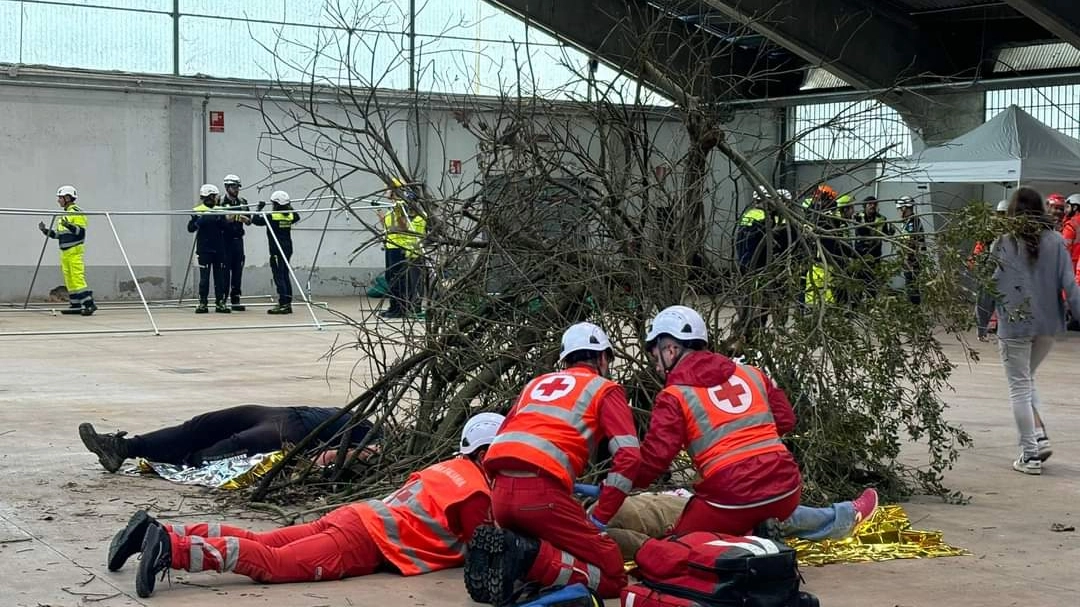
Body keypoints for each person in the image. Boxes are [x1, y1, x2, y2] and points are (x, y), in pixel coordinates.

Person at [106, 413, 503, 598]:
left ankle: (158, 532)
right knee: (273, 564)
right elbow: (485, 548)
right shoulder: (476, 493)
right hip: (366, 542)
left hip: (355, 518)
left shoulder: (449, 467)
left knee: (265, 541)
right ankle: (174, 551)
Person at [466, 322, 641, 603]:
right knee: (613, 575)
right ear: (602, 357)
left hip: (499, 496)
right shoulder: (605, 389)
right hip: (542, 498)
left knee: (556, 547)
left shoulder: (534, 385)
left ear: (565, 359)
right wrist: (600, 516)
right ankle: (528, 559)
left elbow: (512, 439)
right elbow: (630, 456)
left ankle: (522, 555)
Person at [633, 305, 801, 535]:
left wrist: (622, 481)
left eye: (656, 358)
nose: (658, 367)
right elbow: (786, 420)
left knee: (680, 550)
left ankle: (748, 536)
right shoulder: (751, 373)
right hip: (787, 490)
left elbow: (655, 459)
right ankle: (760, 532)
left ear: (671, 350)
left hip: (731, 499)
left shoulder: (674, 396)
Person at [976, 187, 1080, 475]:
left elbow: (988, 285)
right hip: (1048, 326)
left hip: (1015, 325)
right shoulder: (1057, 242)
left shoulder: (1003, 243)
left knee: (1019, 388)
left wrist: (982, 320)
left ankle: (1030, 455)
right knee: (1026, 380)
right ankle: (1039, 436)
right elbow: (1071, 286)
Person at [78, 404, 379, 472]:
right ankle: (122, 447)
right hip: (282, 413)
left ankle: (184, 462)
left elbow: (355, 455)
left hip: (295, 432)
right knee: (199, 426)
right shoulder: (376, 421)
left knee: (231, 445)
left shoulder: (382, 439)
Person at [37, 185, 97, 315]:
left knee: (77, 279)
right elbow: (59, 235)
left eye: (60, 198)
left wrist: (68, 225)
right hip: (64, 253)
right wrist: (45, 231)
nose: (58, 200)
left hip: (74, 252)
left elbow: (80, 233)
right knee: (69, 280)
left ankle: (89, 304)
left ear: (68, 198)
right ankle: (75, 305)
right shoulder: (63, 215)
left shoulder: (76, 212)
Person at [252, 190, 301, 315]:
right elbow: (297, 216)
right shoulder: (290, 215)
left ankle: (283, 304)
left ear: (276, 204)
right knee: (285, 275)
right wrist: (288, 205)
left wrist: (259, 208)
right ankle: (287, 303)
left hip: (277, 250)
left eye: (273, 203)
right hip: (288, 248)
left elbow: (255, 220)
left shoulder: (271, 217)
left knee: (279, 277)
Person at [379, 178, 419, 318]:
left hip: (399, 246)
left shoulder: (401, 206)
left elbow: (403, 227)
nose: (385, 192)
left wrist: (396, 216)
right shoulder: (394, 206)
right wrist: (382, 219)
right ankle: (393, 306)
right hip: (391, 245)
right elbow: (391, 227)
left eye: (387, 189)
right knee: (390, 277)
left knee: (398, 278)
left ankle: (400, 309)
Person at [187, 184, 229, 314]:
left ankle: (220, 302)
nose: (217, 198)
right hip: (204, 250)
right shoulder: (197, 210)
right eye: (215, 196)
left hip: (219, 249)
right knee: (204, 278)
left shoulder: (219, 210)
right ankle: (203, 303)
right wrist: (201, 220)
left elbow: (226, 228)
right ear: (210, 196)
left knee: (219, 278)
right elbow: (190, 228)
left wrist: (221, 219)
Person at [853, 195, 897, 300]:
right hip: (860, 256)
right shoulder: (858, 217)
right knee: (858, 282)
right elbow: (860, 232)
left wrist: (890, 232)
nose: (872, 206)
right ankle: (856, 305)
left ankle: (870, 303)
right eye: (870, 204)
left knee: (872, 283)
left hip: (875, 256)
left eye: (874, 204)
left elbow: (886, 237)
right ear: (865, 206)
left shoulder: (881, 219)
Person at [219, 174, 250, 311]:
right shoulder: (220, 202)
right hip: (225, 240)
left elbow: (249, 220)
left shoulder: (243, 202)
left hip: (238, 240)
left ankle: (235, 299)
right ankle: (223, 299)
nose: (236, 189)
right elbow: (221, 220)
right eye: (233, 187)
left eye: (237, 187)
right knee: (224, 271)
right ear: (227, 187)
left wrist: (242, 218)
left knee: (238, 270)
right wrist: (231, 218)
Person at [896, 196, 924, 305]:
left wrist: (908, 259)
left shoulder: (913, 222)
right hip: (908, 259)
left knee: (912, 285)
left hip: (912, 260)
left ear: (905, 208)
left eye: (900, 209)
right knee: (910, 284)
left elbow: (912, 243)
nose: (899, 212)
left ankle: (914, 307)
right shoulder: (907, 221)